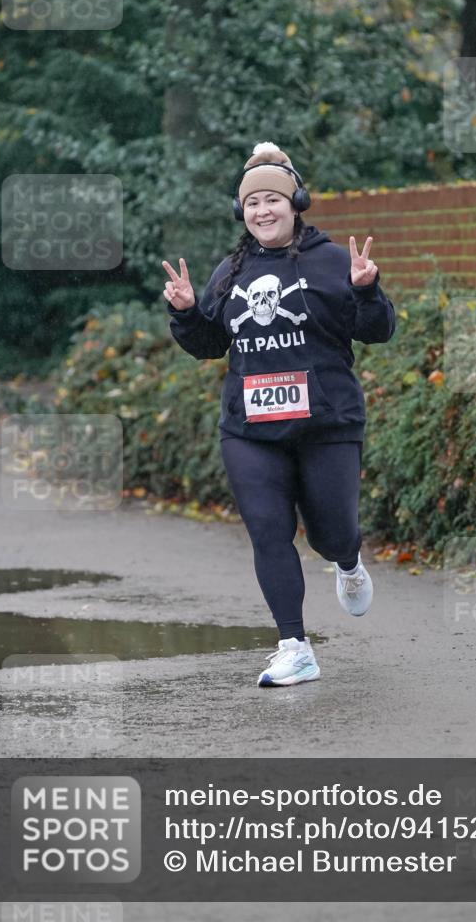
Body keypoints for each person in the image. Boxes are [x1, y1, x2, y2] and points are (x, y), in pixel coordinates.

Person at [162, 142, 396, 687]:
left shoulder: (336, 261)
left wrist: (367, 290)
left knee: (330, 532)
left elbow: (379, 329)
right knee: (269, 531)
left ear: (296, 203)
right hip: (251, 429)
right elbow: (209, 345)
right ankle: (294, 646)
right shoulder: (231, 271)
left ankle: (347, 559)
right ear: (241, 213)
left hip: (327, 423)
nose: (262, 211)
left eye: (272, 200)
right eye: (252, 204)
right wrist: (187, 313)